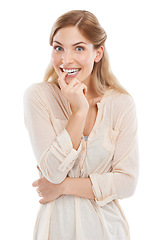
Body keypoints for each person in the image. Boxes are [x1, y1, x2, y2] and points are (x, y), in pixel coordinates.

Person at [23, 10, 139, 240]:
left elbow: (127, 183)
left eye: (79, 48)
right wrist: (79, 112)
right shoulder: (38, 96)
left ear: (97, 53)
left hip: (108, 231)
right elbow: (53, 172)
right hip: (56, 231)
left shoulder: (122, 104)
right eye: (58, 48)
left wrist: (63, 188)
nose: (66, 60)